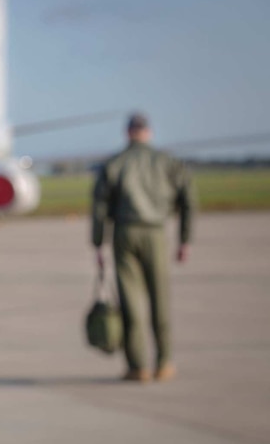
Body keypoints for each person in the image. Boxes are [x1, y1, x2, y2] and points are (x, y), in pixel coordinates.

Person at [91, 112, 197, 383]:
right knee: (160, 298)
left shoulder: (115, 163)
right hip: (156, 233)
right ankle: (164, 362)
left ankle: (138, 366)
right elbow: (188, 199)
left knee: (131, 302)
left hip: (125, 233)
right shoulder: (167, 162)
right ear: (148, 132)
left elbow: (100, 207)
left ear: (127, 133)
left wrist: (98, 244)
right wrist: (184, 239)